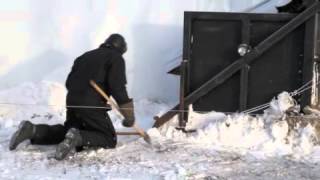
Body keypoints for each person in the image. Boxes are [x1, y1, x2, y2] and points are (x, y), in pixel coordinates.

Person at [9, 34, 135, 160]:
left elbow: (69, 82)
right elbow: (118, 88)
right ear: (121, 49)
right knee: (108, 138)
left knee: (67, 132)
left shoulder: (84, 56)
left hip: (72, 101)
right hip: (91, 103)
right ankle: (78, 137)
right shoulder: (115, 58)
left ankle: (33, 130)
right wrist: (129, 115)